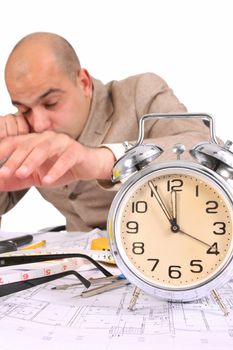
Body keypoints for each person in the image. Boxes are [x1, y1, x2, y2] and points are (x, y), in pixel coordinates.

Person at [0, 32, 209, 231]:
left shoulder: (139, 94)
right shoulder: (26, 129)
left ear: (84, 83)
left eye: (51, 103)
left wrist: (102, 161)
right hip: (79, 262)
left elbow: (205, 148)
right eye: (24, 109)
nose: (39, 124)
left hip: (164, 253)